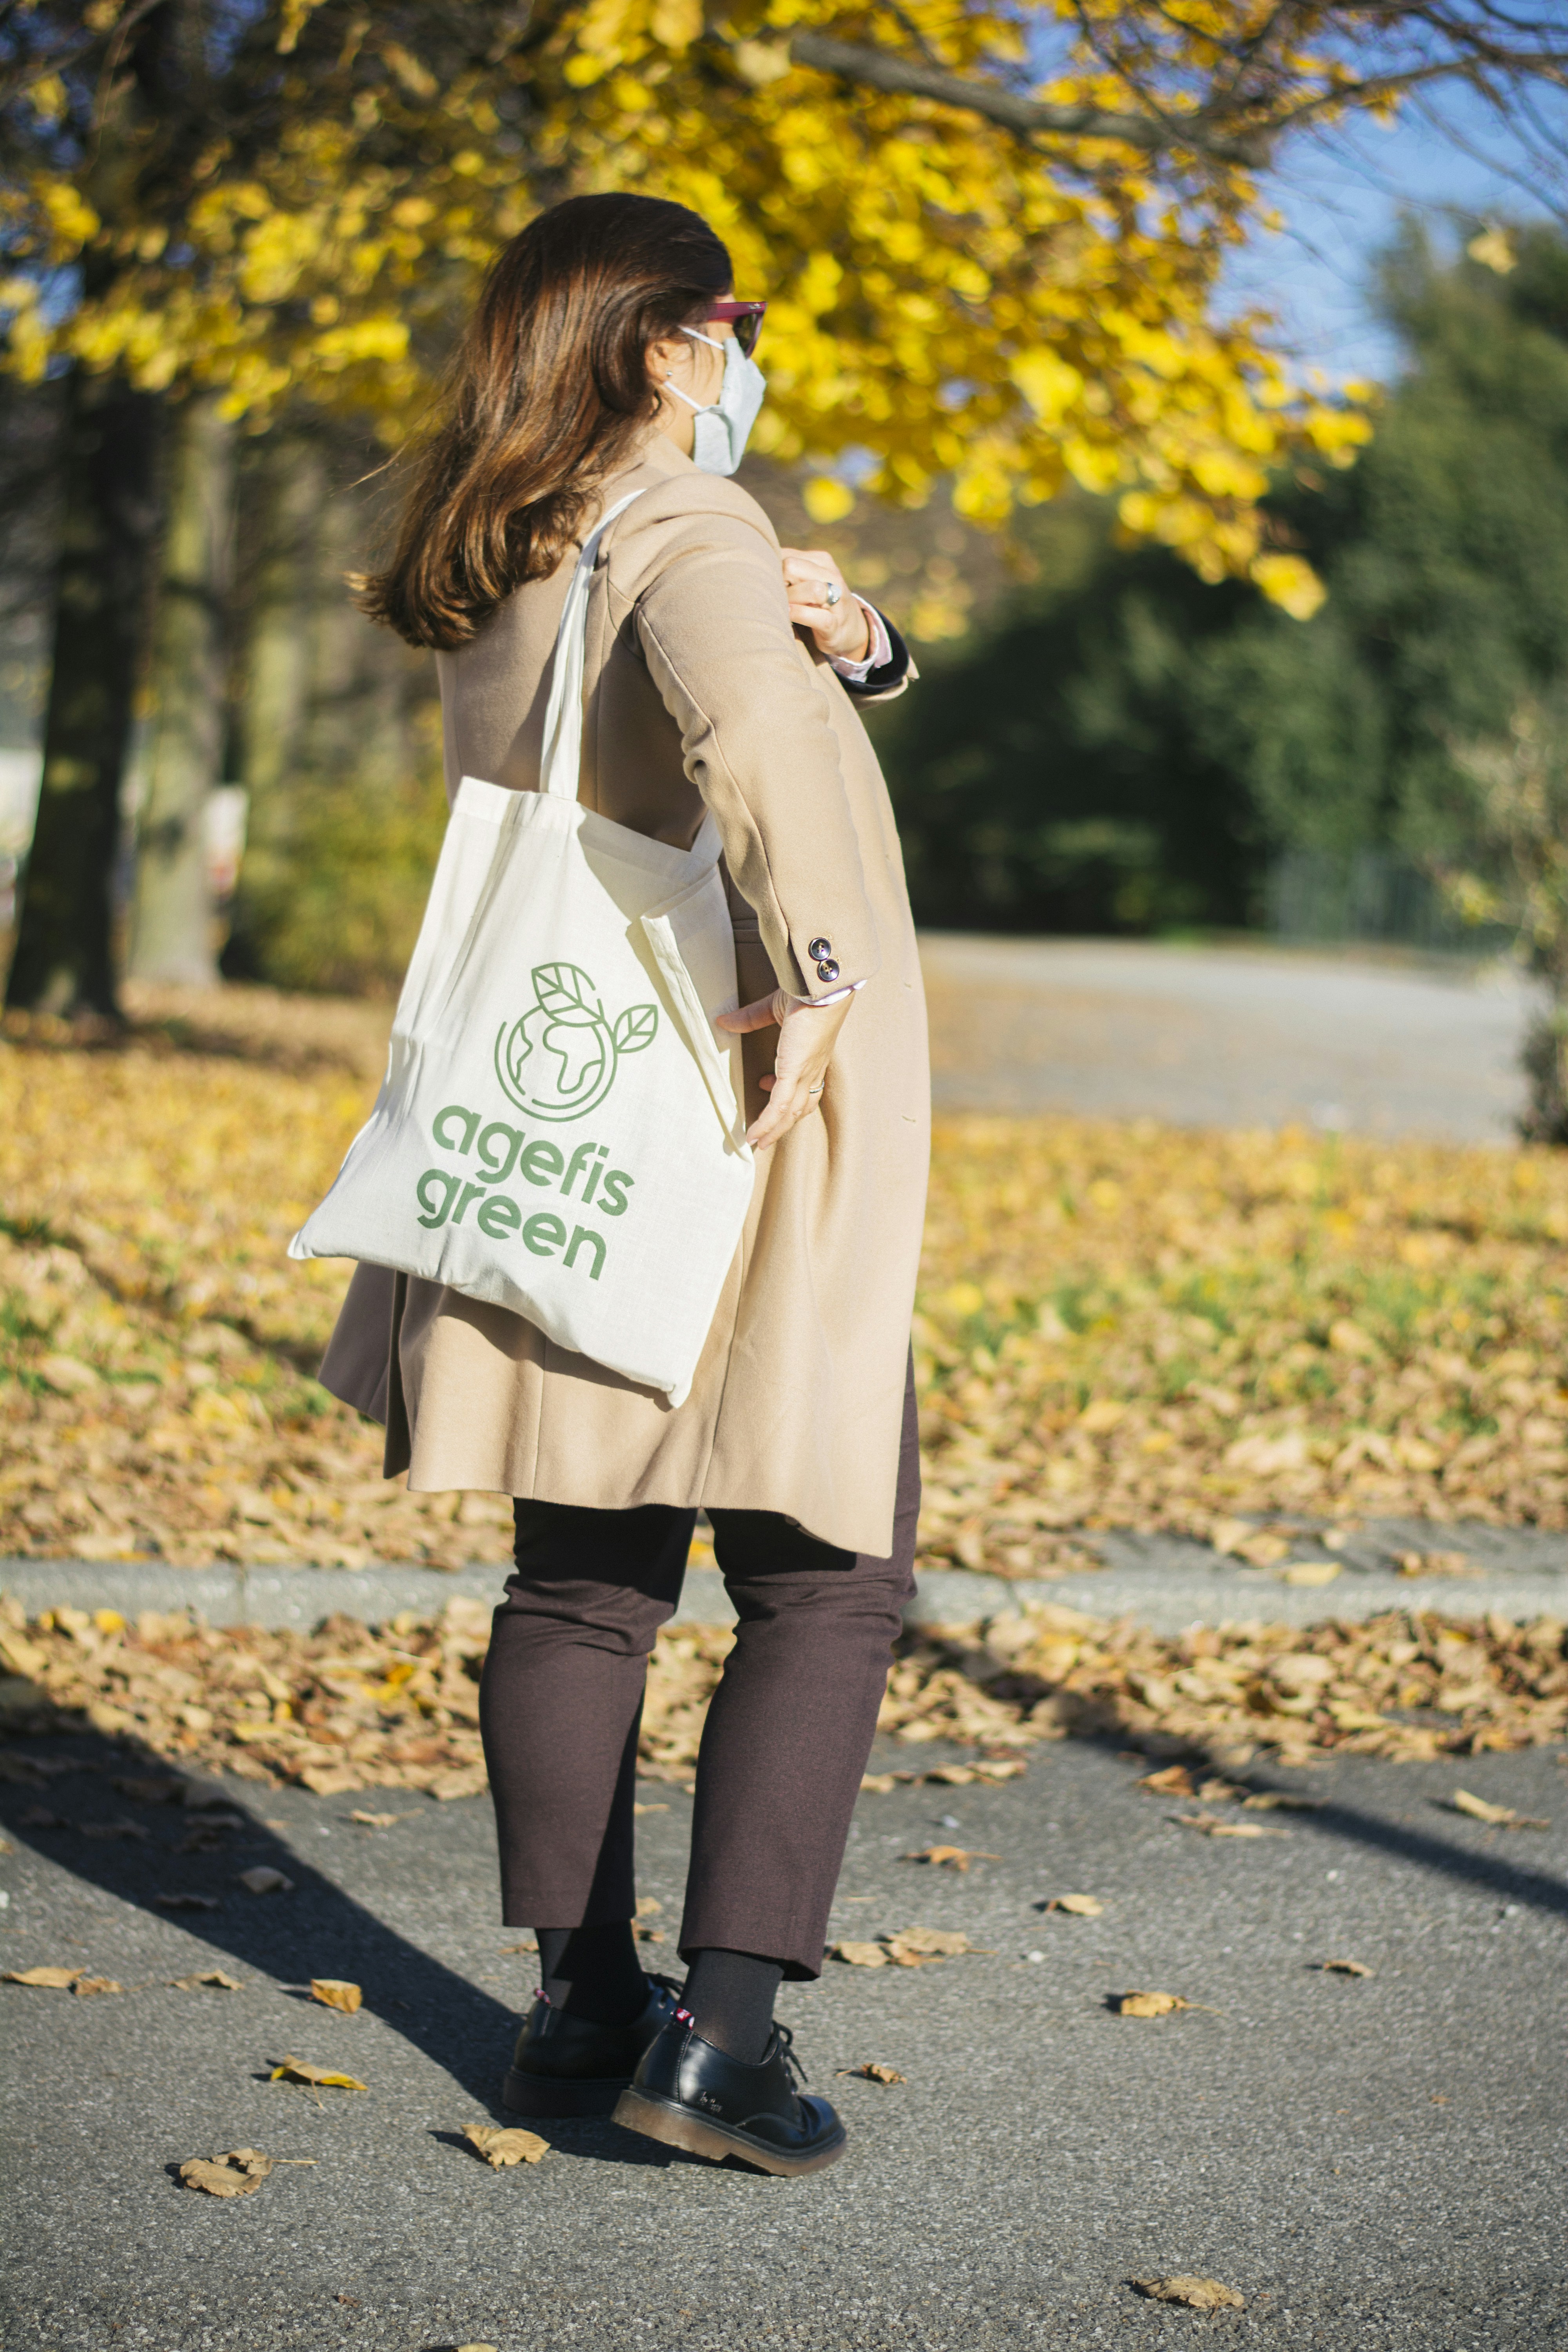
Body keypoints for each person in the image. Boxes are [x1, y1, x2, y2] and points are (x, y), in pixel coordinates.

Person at [325, 191, 929, 2177]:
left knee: (580, 1582)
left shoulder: (509, 549)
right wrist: (826, 970)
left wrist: (861, 636)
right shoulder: (689, 522)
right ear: (671, 344)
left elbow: (730, 693)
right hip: (725, 1108)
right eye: (734, 322)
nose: (749, 358)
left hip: (555, 1119)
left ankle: (579, 2002)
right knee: (825, 1571)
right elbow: (743, 725)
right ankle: (722, 2040)